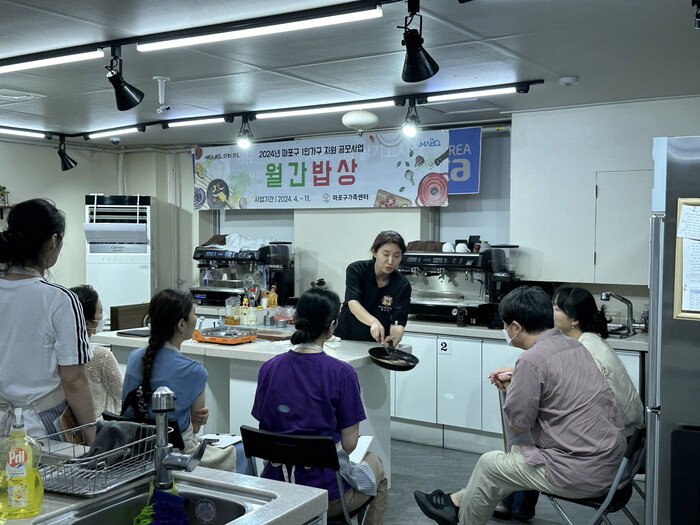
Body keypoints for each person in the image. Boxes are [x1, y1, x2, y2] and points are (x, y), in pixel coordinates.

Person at [413, 286, 627, 525]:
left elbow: (518, 424)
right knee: (512, 459)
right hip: (612, 465)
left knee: (489, 465)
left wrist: (511, 387)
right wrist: (520, 379)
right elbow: (559, 385)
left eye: (505, 325)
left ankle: (459, 516)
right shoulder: (573, 345)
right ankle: (454, 503)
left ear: (515, 327)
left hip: (582, 473)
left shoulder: (530, 360)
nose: (505, 330)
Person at [493, 286, 645, 521]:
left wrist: (519, 380)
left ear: (574, 320)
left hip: (610, 441)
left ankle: (515, 502)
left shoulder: (585, 348)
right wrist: (518, 373)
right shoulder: (583, 342)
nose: (549, 312)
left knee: (535, 431)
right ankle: (514, 502)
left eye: (556, 309)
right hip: (619, 436)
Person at [252, 287, 388, 524]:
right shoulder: (342, 373)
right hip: (325, 493)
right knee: (376, 467)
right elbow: (349, 444)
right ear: (332, 326)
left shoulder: (269, 368)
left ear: (296, 319)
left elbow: (264, 425)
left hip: (275, 488)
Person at [0, 198, 95, 444]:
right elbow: (74, 379)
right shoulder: (60, 300)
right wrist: (91, 434)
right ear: (53, 241)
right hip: (40, 430)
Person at [121, 288, 236, 470]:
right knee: (235, 451)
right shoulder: (194, 370)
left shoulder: (134, 357)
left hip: (133, 450)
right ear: (181, 324)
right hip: (177, 455)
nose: (196, 318)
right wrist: (194, 419)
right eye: (194, 313)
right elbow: (195, 429)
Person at [334, 230, 411, 346]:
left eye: (396, 256)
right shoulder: (357, 270)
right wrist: (373, 322)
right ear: (374, 252)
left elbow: (397, 321)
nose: (390, 261)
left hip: (376, 344)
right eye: (386, 255)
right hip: (346, 338)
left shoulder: (402, 284)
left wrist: (395, 336)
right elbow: (353, 303)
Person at [70, 284, 123, 420]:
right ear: (87, 323)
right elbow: (123, 397)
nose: (102, 316)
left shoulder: (56, 355)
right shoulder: (101, 356)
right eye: (100, 310)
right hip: (102, 426)